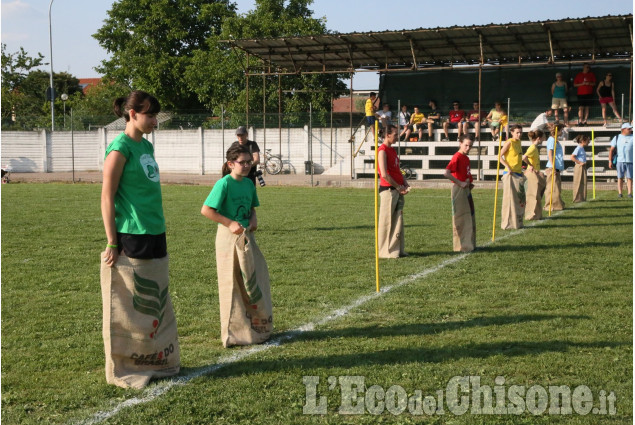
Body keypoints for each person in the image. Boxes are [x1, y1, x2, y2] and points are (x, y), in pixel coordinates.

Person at [100, 90, 180, 389]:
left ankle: (154, 357)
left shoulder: (146, 146)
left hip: (156, 230)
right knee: (138, 302)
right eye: (149, 115)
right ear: (131, 114)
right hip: (133, 233)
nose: (154, 121)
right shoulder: (120, 148)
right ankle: (132, 361)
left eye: (155, 115)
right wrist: (111, 240)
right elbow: (107, 196)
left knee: (156, 297)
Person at [201, 144, 273, 347]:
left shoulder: (249, 184)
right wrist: (230, 223)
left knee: (253, 280)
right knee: (231, 284)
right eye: (242, 162)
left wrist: (253, 220)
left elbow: (251, 208)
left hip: (247, 236)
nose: (247, 165)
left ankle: (255, 326)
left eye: (249, 162)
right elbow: (206, 210)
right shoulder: (224, 184)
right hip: (227, 238)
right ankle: (233, 333)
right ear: (231, 164)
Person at [377, 124, 410, 258]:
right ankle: (386, 251)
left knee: (398, 220)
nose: (397, 137)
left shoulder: (392, 150)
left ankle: (397, 249)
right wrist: (398, 186)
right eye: (395, 134)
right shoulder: (382, 151)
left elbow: (396, 170)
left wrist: (405, 182)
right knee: (387, 221)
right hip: (388, 190)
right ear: (387, 135)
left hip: (398, 189)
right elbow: (384, 174)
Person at [443, 135, 476, 252]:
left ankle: (469, 243)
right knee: (461, 217)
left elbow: (466, 174)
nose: (468, 148)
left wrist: (468, 182)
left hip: (466, 189)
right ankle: (462, 245)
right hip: (459, 189)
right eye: (466, 145)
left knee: (469, 216)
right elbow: (446, 173)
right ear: (460, 143)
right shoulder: (457, 157)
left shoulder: (466, 158)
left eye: (470, 146)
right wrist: (460, 182)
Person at [499, 124, 526, 229]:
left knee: (519, 200)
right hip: (510, 174)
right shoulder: (509, 142)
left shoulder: (519, 142)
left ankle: (517, 222)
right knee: (510, 199)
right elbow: (499, 156)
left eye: (520, 132)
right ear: (512, 133)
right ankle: (508, 223)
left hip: (518, 173)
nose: (519, 134)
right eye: (517, 132)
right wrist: (508, 167)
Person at [523, 129, 547, 220]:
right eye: (543, 137)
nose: (544, 139)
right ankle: (531, 215)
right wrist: (530, 165)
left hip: (536, 173)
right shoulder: (532, 148)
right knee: (533, 195)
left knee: (537, 194)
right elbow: (524, 157)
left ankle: (537, 214)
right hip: (531, 173)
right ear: (538, 138)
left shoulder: (535, 148)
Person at [544, 123, 566, 211]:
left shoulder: (556, 140)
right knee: (551, 188)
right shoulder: (551, 140)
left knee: (557, 187)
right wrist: (553, 167)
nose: (562, 132)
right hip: (552, 167)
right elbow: (550, 154)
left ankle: (557, 204)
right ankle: (549, 205)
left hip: (557, 167)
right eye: (561, 130)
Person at [609, 123, 634, 198]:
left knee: (630, 178)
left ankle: (629, 193)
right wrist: (610, 161)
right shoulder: (617, 137)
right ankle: (620, 193)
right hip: (620, 161)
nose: (630, 130)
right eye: (629, 129)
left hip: (631, 161)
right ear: (623, 129)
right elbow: (611, 150)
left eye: (631, 128)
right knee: (620, 177)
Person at [571, 134, 590, 203]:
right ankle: (576, 198)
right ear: (583, 141)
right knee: (578, 182)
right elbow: (572, 157)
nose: (589, 142)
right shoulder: (578, 148)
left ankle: (582, 198)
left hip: (583, 166)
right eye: (587, 140)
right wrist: (580, 162)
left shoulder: (582, 148)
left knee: (583, 182)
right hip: (579, 167)